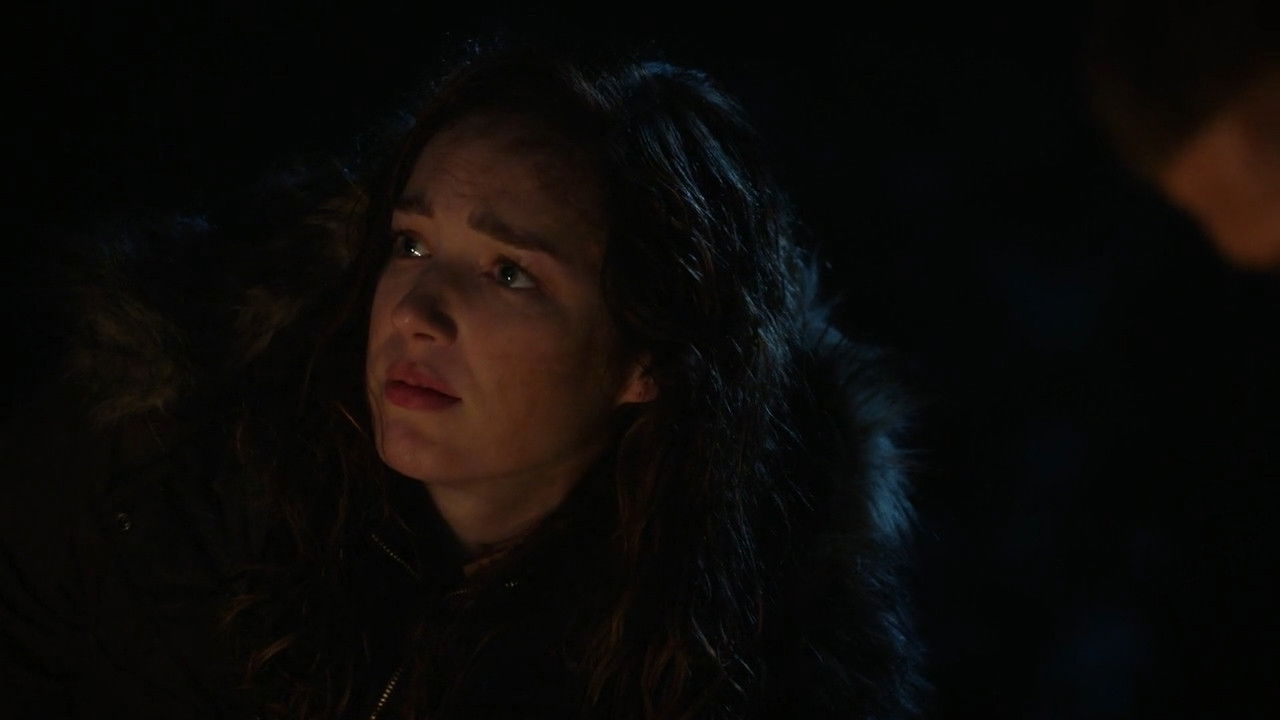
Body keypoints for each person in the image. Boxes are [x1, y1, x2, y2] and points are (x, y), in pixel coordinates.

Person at [2, 45, 923, 719]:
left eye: (508, 273)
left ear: (648, 359)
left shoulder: (745, 670)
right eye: (410, 245)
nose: (415, 312)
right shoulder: (159, 460)